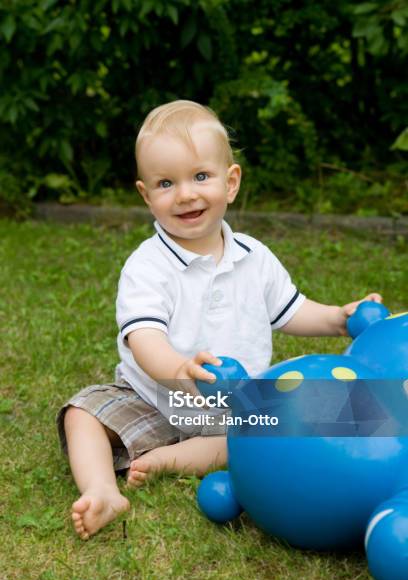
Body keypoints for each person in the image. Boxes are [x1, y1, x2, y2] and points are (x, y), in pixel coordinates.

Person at [57, 100, 382, 540]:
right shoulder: (148, 265)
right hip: (154, 395)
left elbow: (292, 309)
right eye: (166, 183)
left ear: (231, 183)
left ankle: (170, 459)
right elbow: (143, 336)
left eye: (201, 177)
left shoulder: (255, 257)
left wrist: (338, 320)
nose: (186, 194)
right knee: (82, 413)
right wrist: (177, 370)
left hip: (234, 402)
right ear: (145, 194)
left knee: (257, 435)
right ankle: (102, 489)